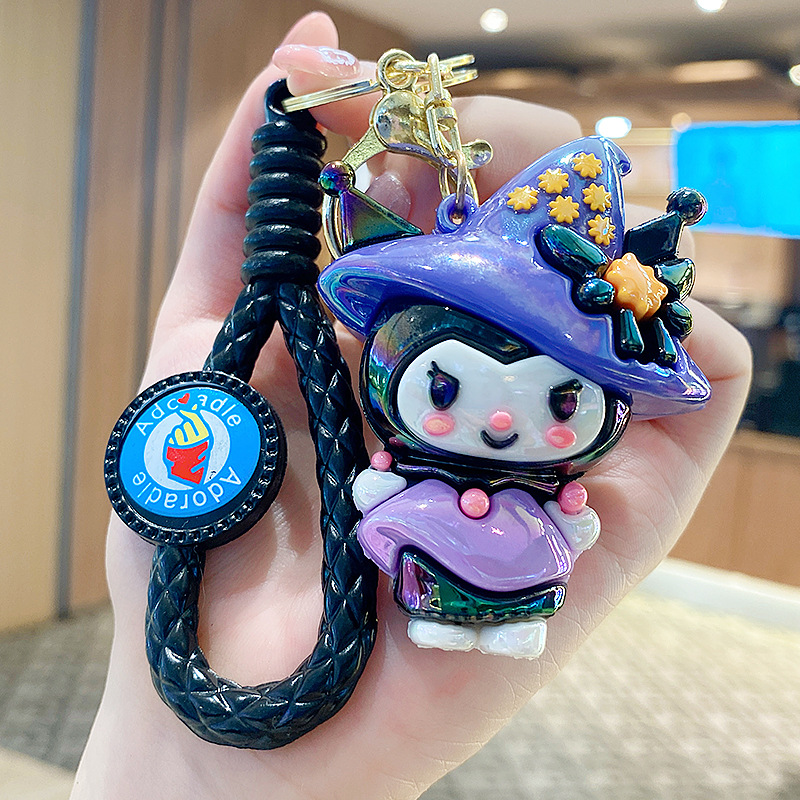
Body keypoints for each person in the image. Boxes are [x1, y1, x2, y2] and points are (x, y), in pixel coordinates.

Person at [71, 11, 751, 799]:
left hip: (520, 547)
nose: (502, 420)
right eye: (448, 386)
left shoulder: (552, 476)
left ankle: (504, 619)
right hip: (427, 537)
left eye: (562, 401)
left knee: (513, 584)